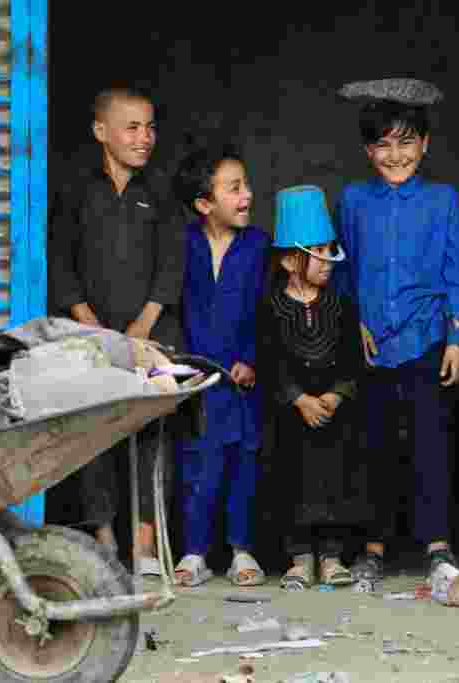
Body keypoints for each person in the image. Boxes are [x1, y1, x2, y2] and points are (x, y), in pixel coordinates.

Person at [333, 80, 459, 582]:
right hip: (373, 347)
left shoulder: (443, 200)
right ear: (369, 150)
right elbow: (342, 270)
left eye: (406, 142)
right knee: (374, 449)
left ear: (425, 144)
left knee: (430, 446)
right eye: (384, 145)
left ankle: (437, 545)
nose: (396, 155)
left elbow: (456, 272)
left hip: (426, 341)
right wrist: (354, 324)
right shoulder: (352, 199)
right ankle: (373, 547)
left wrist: (457, 337)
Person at [48, 86, 183, 568]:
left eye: (150, 126)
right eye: (132, 126)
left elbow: (172, 264)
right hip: (90, 337)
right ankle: (104, 543)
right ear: (101, 132)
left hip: (151, 336)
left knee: (151, 437)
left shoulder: (161, 191)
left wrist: (143, 328)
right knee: (94, 438)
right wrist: (92, 327)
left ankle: (144, 547)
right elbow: (60, 263)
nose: (144, 137)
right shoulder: (76, 190)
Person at [258, 185, 370, 590]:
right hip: (291, 416)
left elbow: (353, 359)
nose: (327, 261)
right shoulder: (270, 308)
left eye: (329, 249)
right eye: (317, 252)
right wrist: (298, 399)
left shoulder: (341, 306)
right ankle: (300, 558)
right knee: (293, 481)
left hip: (334, 414)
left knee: (335, 480)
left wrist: (336, 395)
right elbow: (268, 362)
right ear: (290, 260)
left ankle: (332, 557)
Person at [169, 146, 269, 587]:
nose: (247, 194)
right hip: (196, 378)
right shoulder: (183, 243)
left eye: (245, 185)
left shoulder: (259, 246)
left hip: (243, 380)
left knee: (243, 464)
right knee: (197, 465)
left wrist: (251, 357)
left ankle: (242, 550)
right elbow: (172, 303)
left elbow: (268, 311)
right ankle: (194, 553)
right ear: (204, 204)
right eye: (235, 188)